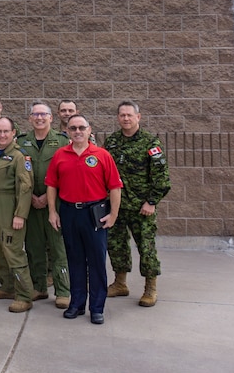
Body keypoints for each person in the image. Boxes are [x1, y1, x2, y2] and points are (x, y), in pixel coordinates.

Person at [46, 114, 122, 325]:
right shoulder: (60, 155)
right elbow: (51, 185)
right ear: (68, 132)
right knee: (75, 260)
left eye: (81, 127)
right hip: (70, 213)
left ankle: (97, 308)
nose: (77, 131)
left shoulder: (102, 155)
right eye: (73, 128)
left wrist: (113, 214)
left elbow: (115, 187)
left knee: (97, 262)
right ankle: (77, 304)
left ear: (89, 130)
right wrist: (52, 212)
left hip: (94, 214)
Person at [103, 101, 171, 307]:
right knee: (116, 245)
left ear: (138, 117)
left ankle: (150, 288)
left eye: (129, 115)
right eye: (122, 115)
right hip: (117, 207)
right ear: (118, 118)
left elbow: (162, 178)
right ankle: (120, 283)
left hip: (142, 208)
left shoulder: (150, 142)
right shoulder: (112, 142)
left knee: (146, 248)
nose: (125, 118)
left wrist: (151, 202)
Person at [18, 102, 71, 308]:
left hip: (55, 205)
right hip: (30, 203)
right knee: (34, 248)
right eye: (35, 114)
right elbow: (18, 173)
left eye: (43, 114)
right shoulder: (22, 142)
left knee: (58, 249)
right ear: (30, 118)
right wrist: (30, 196)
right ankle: (39, 287)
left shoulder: (62, 141)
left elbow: (67, 174)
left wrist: (48, 200)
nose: (39, 118)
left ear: (51, 117)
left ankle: (63, 291)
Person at [0, 117, 36, 311]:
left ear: (14, 133)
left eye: (6, 131)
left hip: (10, 212)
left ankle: (24, 295)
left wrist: (20, 214)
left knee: (13, 254)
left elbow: (25, 187)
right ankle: (7, 286)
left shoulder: (20, 156)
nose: (2, 135)